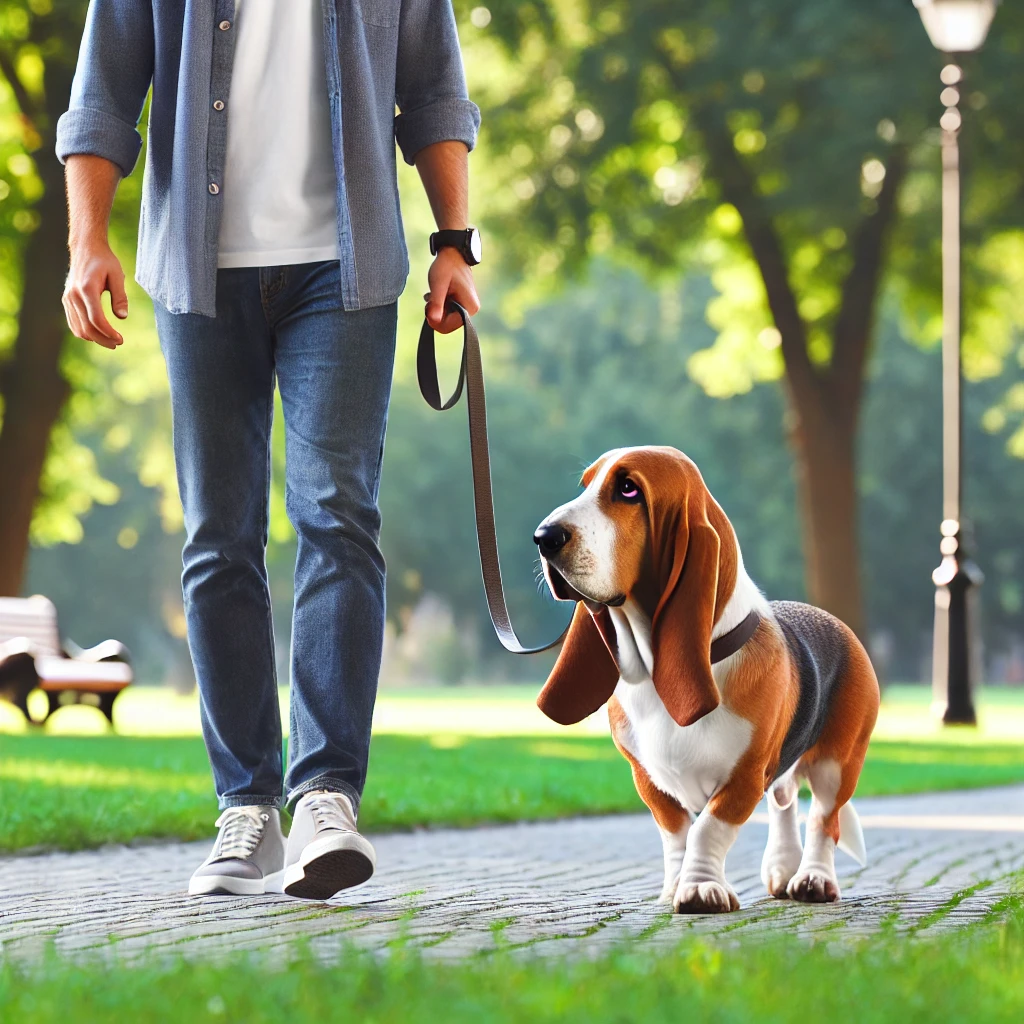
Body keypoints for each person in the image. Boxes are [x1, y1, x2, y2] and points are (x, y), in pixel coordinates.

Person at [57, 0, 482, 900]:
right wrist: (85, 240)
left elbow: (435, 92)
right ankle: (245, 807)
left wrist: (455, 243)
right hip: (196, 268)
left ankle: (326, 798)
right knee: (219, 535)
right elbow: (102, 91)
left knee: (337, 514)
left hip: (348, 268)